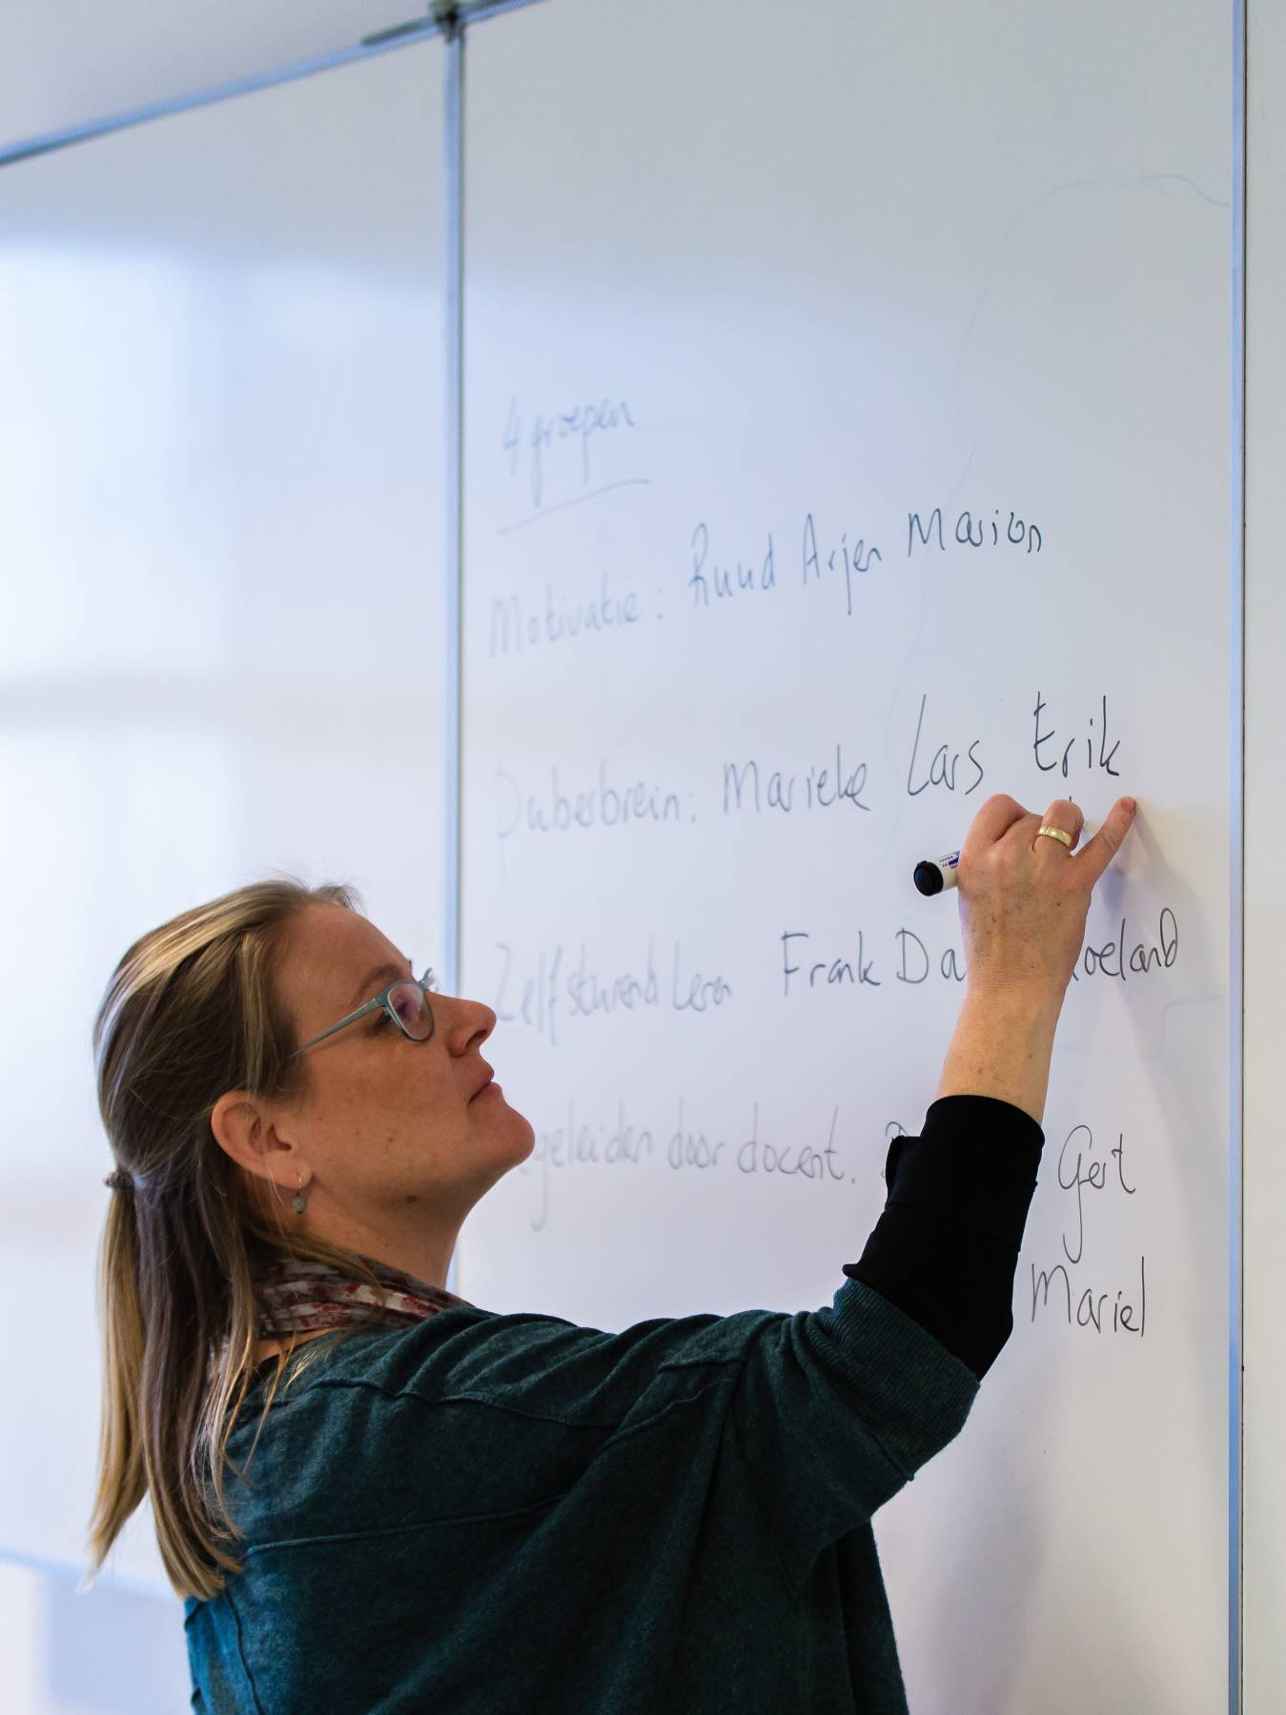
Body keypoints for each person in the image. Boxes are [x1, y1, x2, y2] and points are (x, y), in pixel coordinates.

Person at [87, 790, 1137, 1714]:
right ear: (266, 1135)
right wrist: (1010, 981)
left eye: (426, 984)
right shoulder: (379, 1434)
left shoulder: (260, 1428)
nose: (470, 1016)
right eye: (393, 1011)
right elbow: (871, 1371)